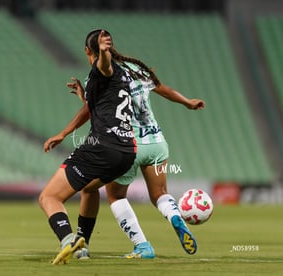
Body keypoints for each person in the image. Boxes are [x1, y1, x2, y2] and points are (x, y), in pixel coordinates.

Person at [45, 32, 205, 259]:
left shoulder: (103, 73)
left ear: (88, 51)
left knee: (114, 196)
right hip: (157, 142)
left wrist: (66, 129)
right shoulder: (135, 68)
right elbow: (162, 89)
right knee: (160, 193)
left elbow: (97, 110)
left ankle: (141, 245)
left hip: (129, 144)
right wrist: (187, 102)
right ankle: (174, 216)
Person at [39, 30, 136, 265]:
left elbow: (104, 68)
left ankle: (67, 239)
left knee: (49, 197)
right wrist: (84, 100)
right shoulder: (122, 75)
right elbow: (97, 109)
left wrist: (103, 54)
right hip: (126, 152)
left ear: (86, 51)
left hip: (103, 147)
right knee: (90, 189)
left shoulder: (102, 69)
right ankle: (83, 244)